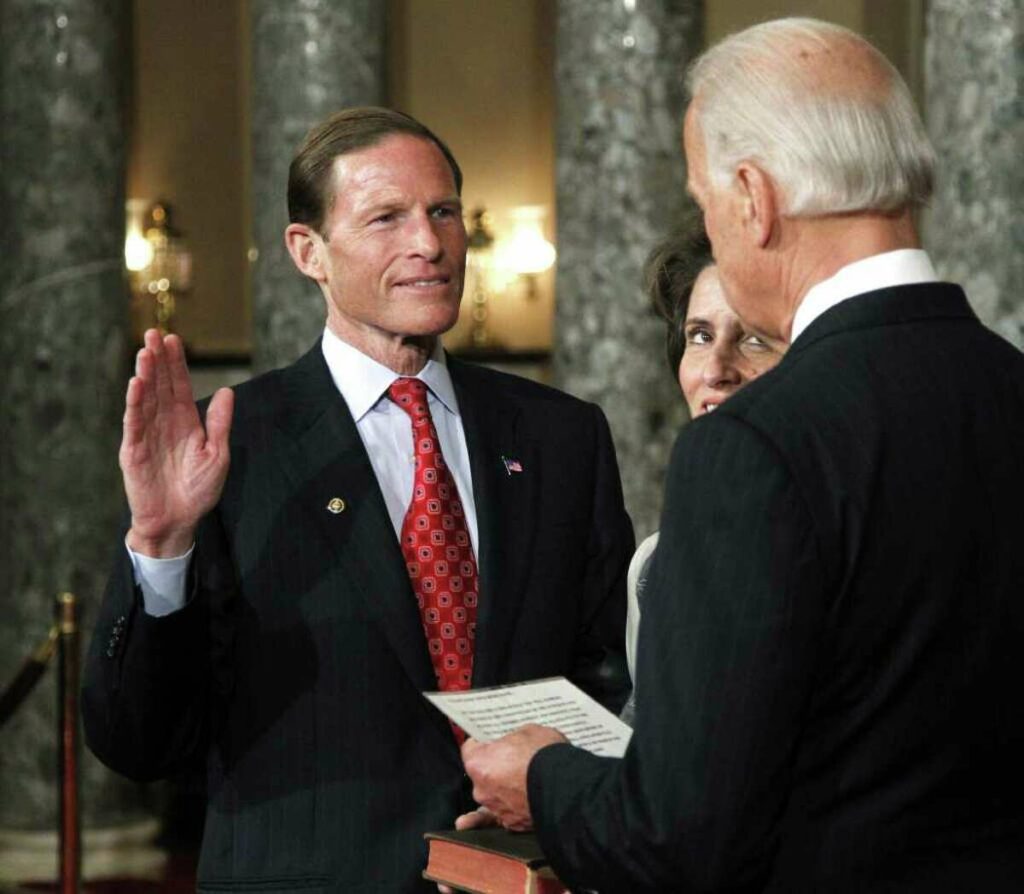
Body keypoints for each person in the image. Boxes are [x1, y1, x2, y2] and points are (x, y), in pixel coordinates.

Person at [463, 18, 1024, 892]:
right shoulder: (1007, 384)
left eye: (704, 203)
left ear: (753, 199)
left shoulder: (756, 444)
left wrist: (543, 779)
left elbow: (679, 837)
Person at [82, 107, 634, 893]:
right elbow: (139, 743)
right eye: (387, 218)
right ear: (308, 251)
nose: (429, 243)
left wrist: (556, 790)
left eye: (443, 211)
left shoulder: (561, 436)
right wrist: (160, 546)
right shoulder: (229, 448)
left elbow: (610, 676)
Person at [622, 231, 784, 723]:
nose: (715, 370)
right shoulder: (653, 564)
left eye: (753, 339)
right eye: (700, 336)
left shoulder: (842, 542)